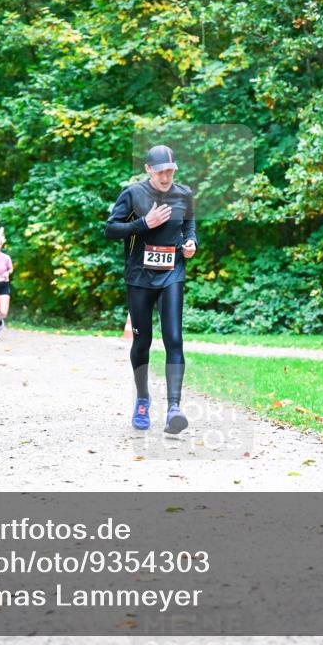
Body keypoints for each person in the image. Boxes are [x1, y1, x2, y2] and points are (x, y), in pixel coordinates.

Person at [104, 145, 197, 436]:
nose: (166, 177)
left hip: (172, 273)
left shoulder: (184, 194)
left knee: (174, 338)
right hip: (139, 278)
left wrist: (191, 243)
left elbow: (190, 225)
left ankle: (174, 409)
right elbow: (110, 229)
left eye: (170, 171)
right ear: (148, 170)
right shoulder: (133, 194)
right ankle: (143, 399)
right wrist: (144, 223)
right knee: (142, 342)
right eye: (160, 172)